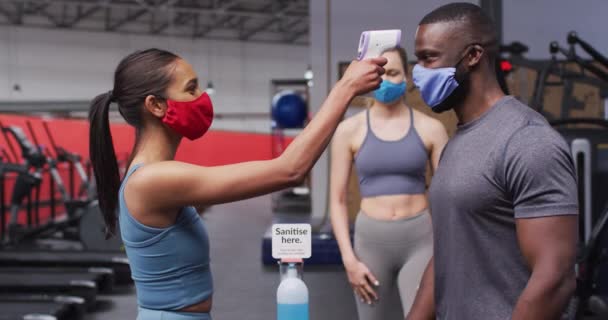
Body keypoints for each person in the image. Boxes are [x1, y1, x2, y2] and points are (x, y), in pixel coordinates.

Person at [88, 48, 387, 320]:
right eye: (190, 89)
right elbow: (289, 170)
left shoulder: (157, 175)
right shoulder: (153, 179)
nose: (202, 97)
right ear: (155, 105)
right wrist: (345, 88)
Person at [406, 3, 578, 320]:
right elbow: (449, 252)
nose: (418, 74)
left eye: (429, 58)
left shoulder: (527, 140)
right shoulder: (456, 143)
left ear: (473, 55)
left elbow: (555, 278)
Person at [330, 47, 448, 320]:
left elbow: (447, 199)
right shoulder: (349, 130)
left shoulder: (431, 129)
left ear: (406, 77)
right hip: (370, 241)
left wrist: (446, 250)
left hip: (421, 239)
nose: (385, 81)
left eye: (393, 73)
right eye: (378, 74)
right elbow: (336, 201)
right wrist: (349, 260)